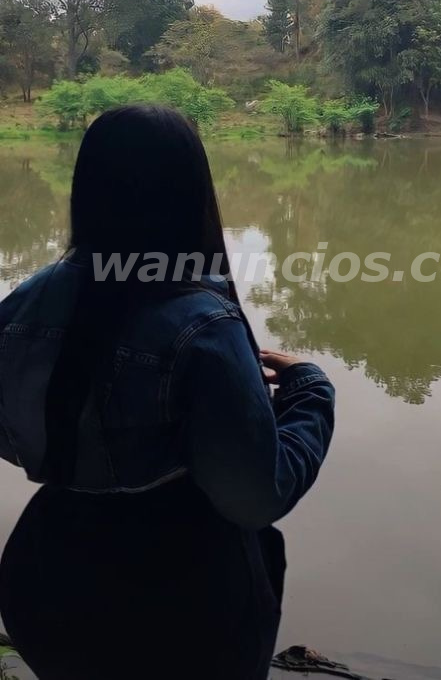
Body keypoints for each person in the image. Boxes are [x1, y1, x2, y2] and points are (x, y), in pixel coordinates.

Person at [0, 106, 335, 680]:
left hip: (48, 582)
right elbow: (255, 496)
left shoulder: (21, 305)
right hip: (180, 607)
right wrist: (310, 390)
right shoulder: (203, 325)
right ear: (190, 194)